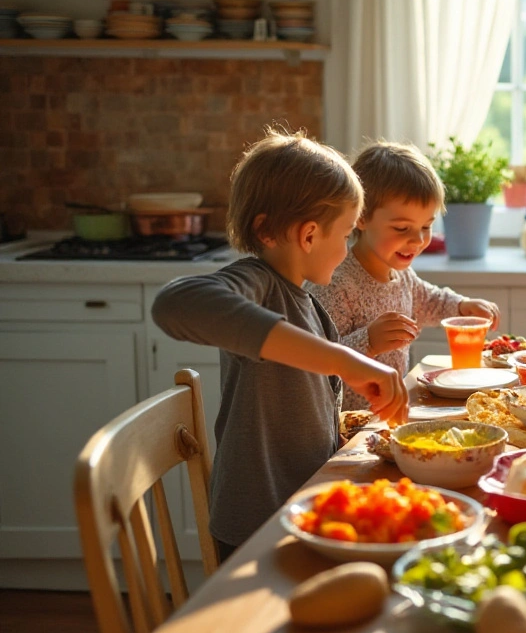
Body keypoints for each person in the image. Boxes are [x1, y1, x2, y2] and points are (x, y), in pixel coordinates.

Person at [151, 130, 408, 563]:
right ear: (308, 236)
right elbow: (175, 303)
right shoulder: (258, 284)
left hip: (302, 505)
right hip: (259, 521)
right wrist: (347, 361)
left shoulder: (306, 300)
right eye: (345, 235)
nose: (347, 250)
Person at [308, 141, 500, 409]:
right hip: (347, 426)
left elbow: (431, 301)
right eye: (401, 228)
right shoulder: (337, 283)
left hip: (388, 414)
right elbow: (314, 362)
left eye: (426, 226)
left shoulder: (403, 277)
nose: (418, 239)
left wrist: (461, 305)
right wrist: (368, 342)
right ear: (360, 217)